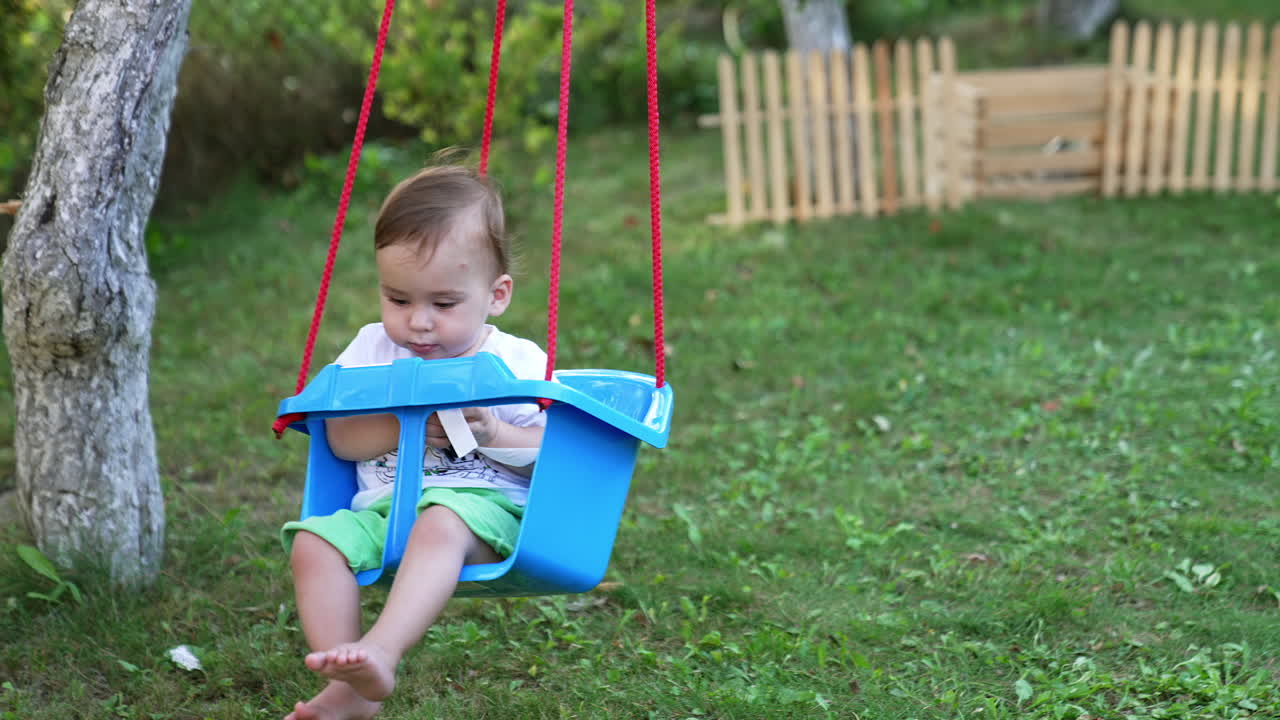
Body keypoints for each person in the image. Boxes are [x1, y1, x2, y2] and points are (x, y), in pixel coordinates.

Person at [281, 165, 547, 720]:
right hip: (380, 512)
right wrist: (397, 426)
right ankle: (349, 681)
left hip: (480, 515)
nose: (418, 323)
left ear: (496, 296)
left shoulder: (517, 363)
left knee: (439, 521)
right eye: (398, 299)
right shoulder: (372, 350)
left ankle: (381, 651)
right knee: (312, 543)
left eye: (443, 304)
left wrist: (496, 432)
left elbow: (552, 457)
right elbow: (341, 438)